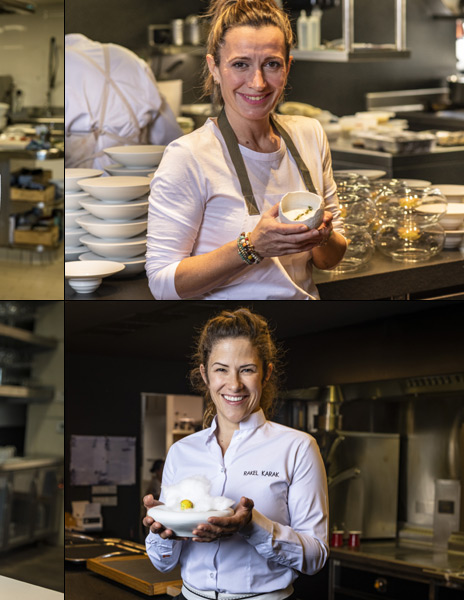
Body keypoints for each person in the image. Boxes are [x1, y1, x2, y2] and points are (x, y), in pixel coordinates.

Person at [145, 0, 347, 300]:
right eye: (240, 64)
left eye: (272, 64)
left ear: (288, 67)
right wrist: (251, 247)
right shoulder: (188, 156)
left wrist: (322, 234)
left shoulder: (310, 135)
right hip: (228, 330)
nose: (258, 82)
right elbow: (163, 285)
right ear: (215, 67)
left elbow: (329, 260)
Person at [142, 308, 328, 600]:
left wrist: (252, 526)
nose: (234, 384)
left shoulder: (298, 448)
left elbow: (316, 557)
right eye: (221, 369)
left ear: (265, 373)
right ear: (205, 374)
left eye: (247, 369)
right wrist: (161, 531)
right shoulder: (181, 451)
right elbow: (162, 564)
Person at [65, 33, 182, 170]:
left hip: (84, 181)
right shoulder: (129, 57)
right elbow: (169, 136)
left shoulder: (67, 60)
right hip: (138, 175)